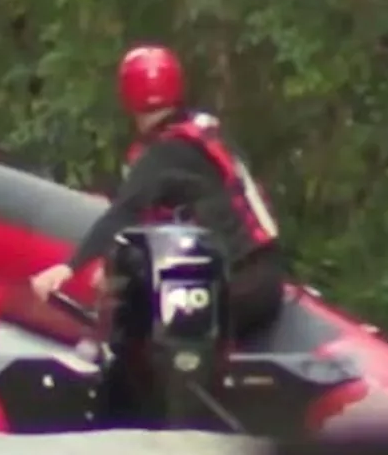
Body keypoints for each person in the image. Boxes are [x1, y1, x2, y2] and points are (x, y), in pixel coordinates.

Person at [29, 45, 285, 337]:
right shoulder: (205, 133)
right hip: (266, 278)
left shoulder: (163, 153)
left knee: (133, 319)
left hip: (237, 290)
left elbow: (123, 213)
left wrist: (69, 268)